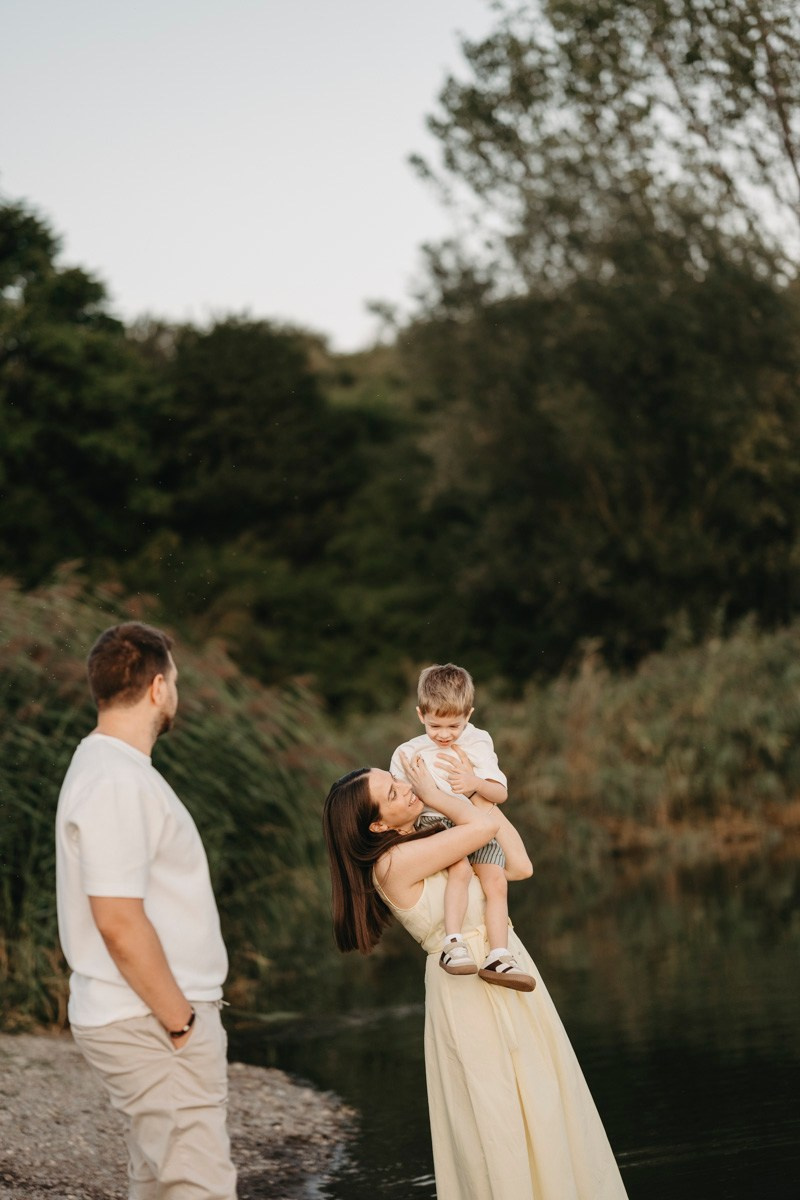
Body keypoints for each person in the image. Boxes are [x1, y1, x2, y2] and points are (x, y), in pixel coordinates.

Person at [322, 758, 629, 1200]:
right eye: (393, 794)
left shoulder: (435, 832)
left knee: (544, 1100)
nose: (406, 788)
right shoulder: (392, 864)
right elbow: (481, 832)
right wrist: (442, 795)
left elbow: (520, 866)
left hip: (508, 965)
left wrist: (480, 791)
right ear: (375, 827)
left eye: (397, 781)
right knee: (497, 1114)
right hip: (466, 990)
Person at [55, 621, 237, 1200]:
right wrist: (182, 1024)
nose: (176, 692)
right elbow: (117, 920)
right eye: (176, 681)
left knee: (159, 1185)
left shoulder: (114, 770)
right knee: (199, 1186)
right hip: (152, 1022)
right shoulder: (115, 781)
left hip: (146, 1017)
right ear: (158, 688)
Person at [391, 663, 534, 989]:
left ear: (468, 715)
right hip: (434, 822)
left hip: (473, 819)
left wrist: (473, 782)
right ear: (420, 714)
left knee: (496, 882)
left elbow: (500, 793)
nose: (443, 734)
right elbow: (403, 803)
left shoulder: (478, 742)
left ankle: (499, 955)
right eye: (434, 725)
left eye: (453, 725)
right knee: (460, 868)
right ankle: (453, 944)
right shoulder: (408, 752)